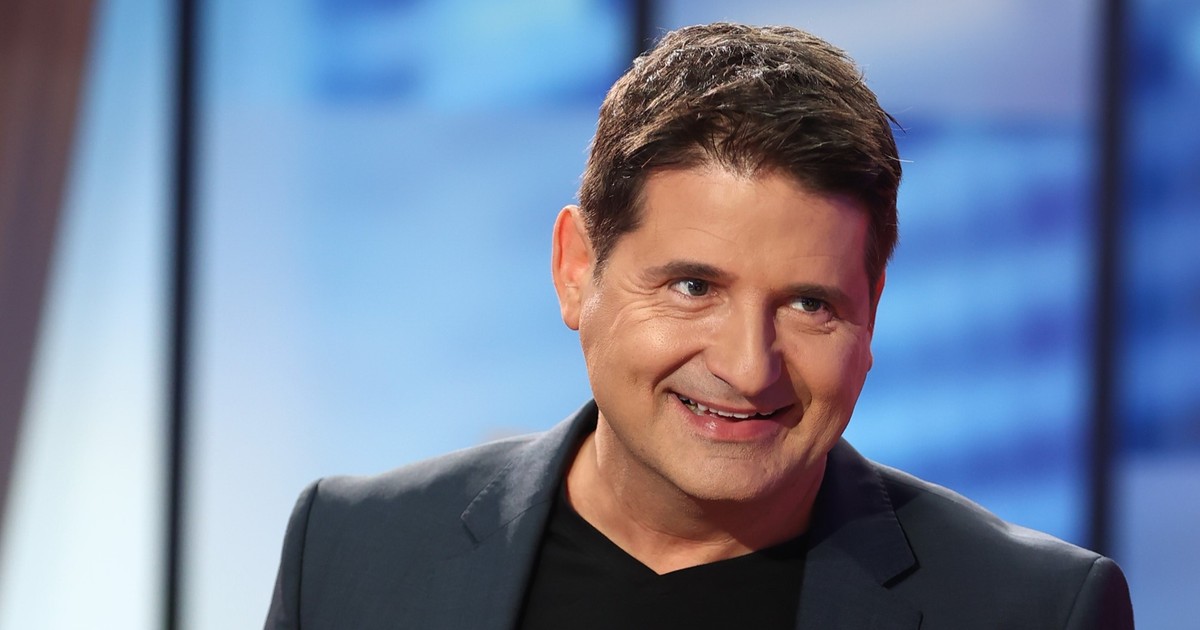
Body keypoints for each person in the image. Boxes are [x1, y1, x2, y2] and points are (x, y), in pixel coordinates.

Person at [265, 23, 1134, 629]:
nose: (749, 367)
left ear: (871, 313)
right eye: (692, 287)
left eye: (810, 305)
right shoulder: (352, 550)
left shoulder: (1032, 610)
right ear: (576, 268)